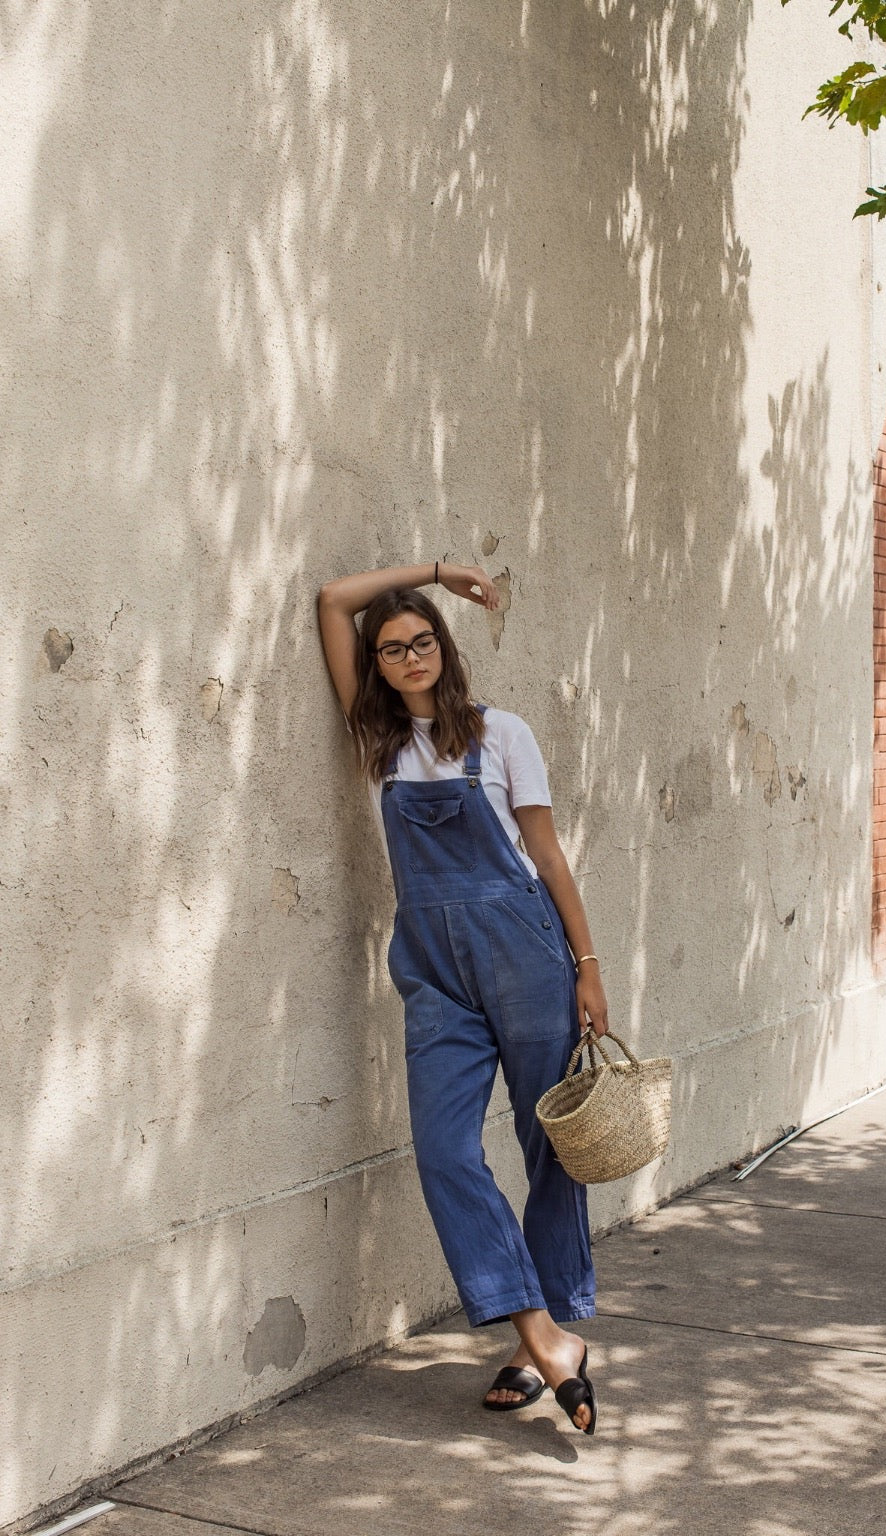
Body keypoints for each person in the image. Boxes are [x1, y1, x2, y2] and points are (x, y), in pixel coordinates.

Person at [318, 560, 609, 1435]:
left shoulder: (502, 734)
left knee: (548, 1143)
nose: (410, 655)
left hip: (524, 949)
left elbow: (548, 859)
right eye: (393, 648)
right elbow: (335, 599)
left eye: (423, 639)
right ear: (376, 665)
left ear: (443, 648)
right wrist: (441, 571)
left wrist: (589, 966)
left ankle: (537, 1344)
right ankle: (545, 1333)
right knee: (444, 1149)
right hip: (433, 968)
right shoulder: (378, 741)